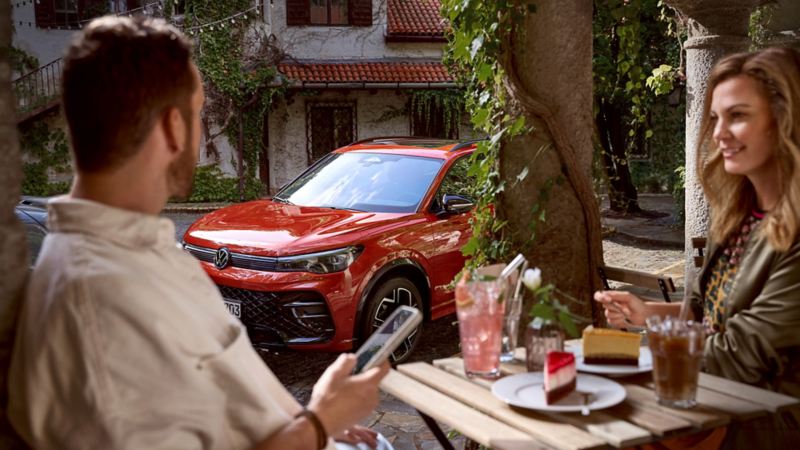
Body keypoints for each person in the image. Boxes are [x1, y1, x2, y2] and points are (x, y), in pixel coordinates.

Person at [7, 16, 390, 450]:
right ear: (172, 127)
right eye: (198, 114)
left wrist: (310, 415)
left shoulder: (135, 254)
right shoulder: (101, 303)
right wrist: (321, 422)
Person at [595, 47, 800, 447]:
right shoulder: (741, 216)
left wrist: (628, 367)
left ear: (785, 122)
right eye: (715, 118)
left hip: (765, 426)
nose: (719, 133)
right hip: (709, 406)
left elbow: (737, 355)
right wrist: (650, 313)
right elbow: (711, 316)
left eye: (737, 116)